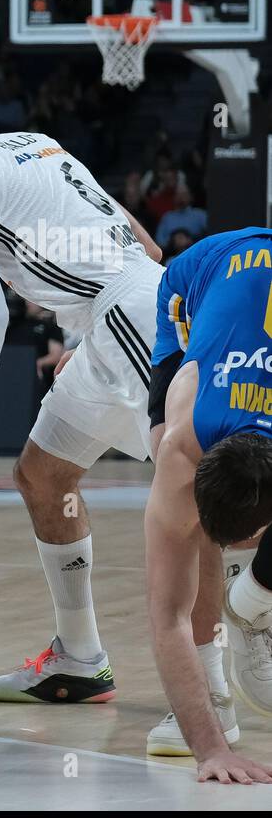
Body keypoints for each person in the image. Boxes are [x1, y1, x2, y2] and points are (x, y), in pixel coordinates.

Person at [0, 59, 186, 735]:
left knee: (196, 487)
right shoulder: (34, 143)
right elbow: (134, 232)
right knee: (43, 475)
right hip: (121, 314)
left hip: (131, 317)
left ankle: (211, 694)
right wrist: (97, 326)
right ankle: (80, 659)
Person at [146, 227, 272, 779]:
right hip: (194, 280)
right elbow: (165, 616)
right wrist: (210, 750)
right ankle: (212, 695)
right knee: (180, 528)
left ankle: (250, 602)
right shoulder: (181, 442)